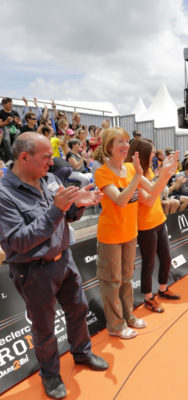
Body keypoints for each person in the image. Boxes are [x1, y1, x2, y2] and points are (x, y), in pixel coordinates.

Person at [0, 132, 108, 399]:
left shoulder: (49, 179)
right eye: (46, 157)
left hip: (65, 260)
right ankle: (50, 376)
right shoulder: (4, 195)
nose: (53, 162)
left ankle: (82, 354)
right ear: (24, 157)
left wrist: (78, 204)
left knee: (79, 308)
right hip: (34, 272)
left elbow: (66, 215)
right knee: (44, 327)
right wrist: (57, 210)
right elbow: (18, 241)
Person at [94, 127, 177, 339]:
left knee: (126, 279)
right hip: (111, 236)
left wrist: (167, 172)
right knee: (112, 282)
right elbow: (120, 200)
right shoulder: (102, 173)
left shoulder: (132, 168)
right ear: (108, 147)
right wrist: (137, 176)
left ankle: (128, 317)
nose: (124, 146)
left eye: (125, 141)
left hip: (130, 234)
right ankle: (115, 326)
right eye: (118, 142)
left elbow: (153, 191)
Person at [127, 140, 180, 313]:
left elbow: (158, 191)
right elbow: (149, 200)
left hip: (159, 220)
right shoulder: (134, 174)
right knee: (148, 263)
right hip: (145, 226)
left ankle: (162, 289)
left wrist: (167, 172)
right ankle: (148, 297)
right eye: (150, 155)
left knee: (166, 258)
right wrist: (164, 173)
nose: (152, 158)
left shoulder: (147, 171)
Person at [0, 97, 22, 162]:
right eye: (9, 104)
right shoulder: (1, 112)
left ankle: (14, 156)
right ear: (4, 104)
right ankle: (11, 157)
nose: (11, 105)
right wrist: (6, 121)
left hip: (14, 128)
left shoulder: (15, 112)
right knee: (6, 139)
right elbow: (0, 124)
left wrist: (18, 122)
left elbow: (20, 123)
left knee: (17, 135)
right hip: (6, 128)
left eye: (11, 104)